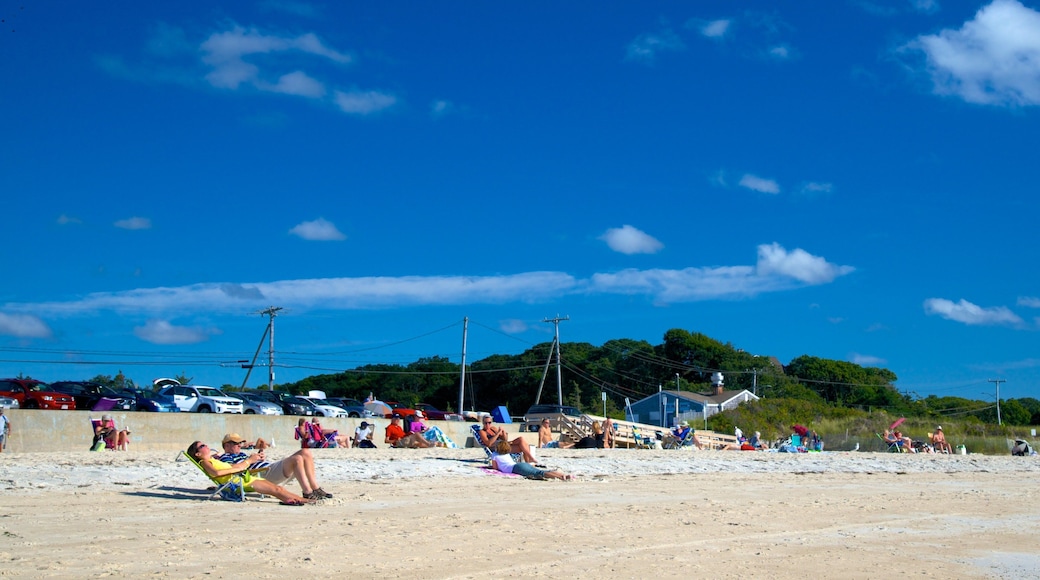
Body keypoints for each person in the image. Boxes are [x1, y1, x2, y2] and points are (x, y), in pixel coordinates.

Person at [186, 441, 311, 505]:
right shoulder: (205, 462)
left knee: (277, 488)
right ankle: (304, 501)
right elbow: (217, 473)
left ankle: (299, 500)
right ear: (197, 454)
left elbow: (227, 467)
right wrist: (243, 465)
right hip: (238, 482)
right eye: (202, 446)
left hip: (243, 477)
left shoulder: (213, 459)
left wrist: (242, 465)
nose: (206, 445)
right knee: (276, 490)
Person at [215, 433, 333, 500]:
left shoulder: (241, 454)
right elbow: (234, 469)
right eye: (236, 444)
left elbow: (248, 461)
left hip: (268, 469)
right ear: (227, 445)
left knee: (305, 452)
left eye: (240, 443)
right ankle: (307, 492)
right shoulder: (225, 457)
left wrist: (257, 458)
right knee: (297, 459)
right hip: (261, 475)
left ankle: (315, 488)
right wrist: (250, 460)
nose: (239, 446)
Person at [490, 440, 573, 481]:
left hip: (516, 468)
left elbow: (495, 468)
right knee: (540, 471)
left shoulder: (494, 454)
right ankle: (562, 475)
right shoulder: (506, 454)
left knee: (539, 473)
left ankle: (562, 477)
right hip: (520, 464)